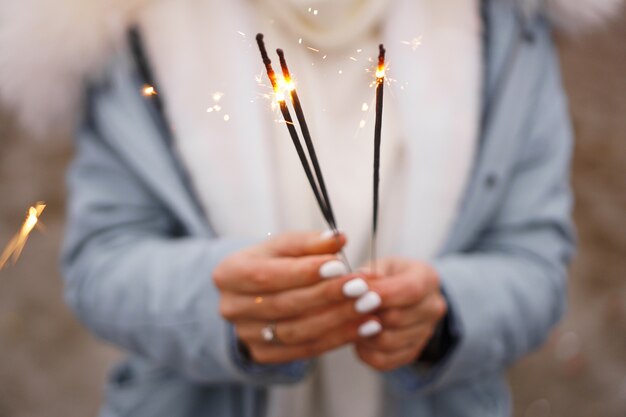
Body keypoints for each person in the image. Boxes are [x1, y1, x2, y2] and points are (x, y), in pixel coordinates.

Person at [0, 0, 619, 416]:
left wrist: (447, 314)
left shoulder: (509, 28)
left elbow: (537, 264)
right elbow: (99, 263)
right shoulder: (133, 27)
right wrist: (216, 303)